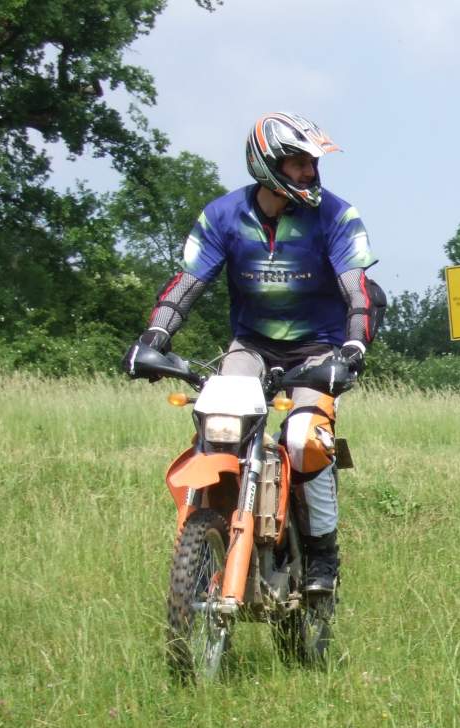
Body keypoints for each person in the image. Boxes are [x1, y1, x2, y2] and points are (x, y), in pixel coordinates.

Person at [123, 111, 382, 592]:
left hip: (318, 350)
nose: (310, 172)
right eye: (298, 162)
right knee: (219, 425)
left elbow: (358, 291)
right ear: (266, 165)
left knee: (304, 440)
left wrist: (351, 349)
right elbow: (187, 284)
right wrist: (154, 337)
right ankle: (212, 537)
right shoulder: (222, 216)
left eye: (312, 162)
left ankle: (323, 555)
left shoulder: (336, 216)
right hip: (250, 347)